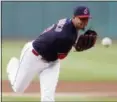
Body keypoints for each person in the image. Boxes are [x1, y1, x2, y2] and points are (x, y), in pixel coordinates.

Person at [6, 6, 97, 102]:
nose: (84, 22)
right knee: (18, 89)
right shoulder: (66, 36)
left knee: (48, 98)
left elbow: (61, 45)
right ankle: (13, 65)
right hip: (33, 56)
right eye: (81, 18)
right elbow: (62, 56)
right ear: (74, 17)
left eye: (86, 19)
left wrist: (74, 44)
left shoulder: (68, 22)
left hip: (52, 64)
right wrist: (76, 47)